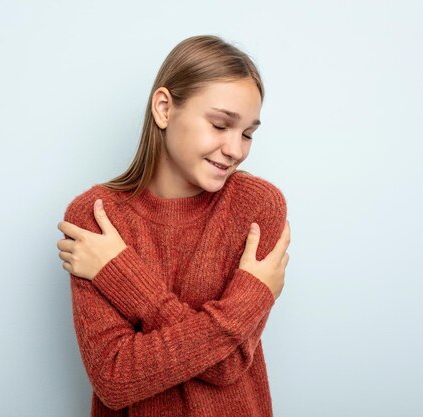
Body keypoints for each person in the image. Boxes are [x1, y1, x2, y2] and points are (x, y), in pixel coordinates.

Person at [56, 34, 291, 417]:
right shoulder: (94, 219)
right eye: (220, 125)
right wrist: (247, 302)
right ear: (164, 108)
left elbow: (227, 366)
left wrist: (121, 274)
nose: (236, 149)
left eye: (248, 133)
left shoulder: (257, 207)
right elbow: (115, 379)